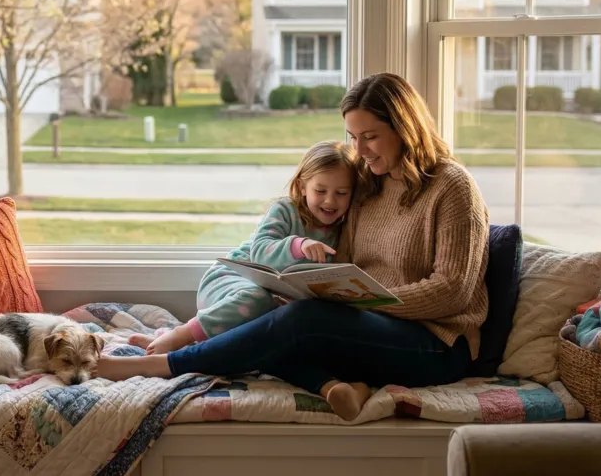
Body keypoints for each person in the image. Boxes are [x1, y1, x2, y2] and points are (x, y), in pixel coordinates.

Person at [96, 73, 489, 422]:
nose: (361, 151)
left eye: (370, 137)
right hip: (374, 329)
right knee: (270, 322)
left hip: (437, 344)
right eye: (354, 137)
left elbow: (452, 290)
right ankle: (335, 386)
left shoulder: (452, 187)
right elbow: (346, 262)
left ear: (405, 128)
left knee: (301, 322)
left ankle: (163, 364)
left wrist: (362, 303)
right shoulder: (371, 185)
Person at [129, 140, 357, 355]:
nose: (329, 201)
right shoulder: (286, 210)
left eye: (341, 193)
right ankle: (181, 336)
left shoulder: (344, 228)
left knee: (279, 324)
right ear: (302, 186)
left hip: (273, 299)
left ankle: (192, 345)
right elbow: (260, 252)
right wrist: (298, 246)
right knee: (258, 300)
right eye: (320, 191)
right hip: (230, 279)